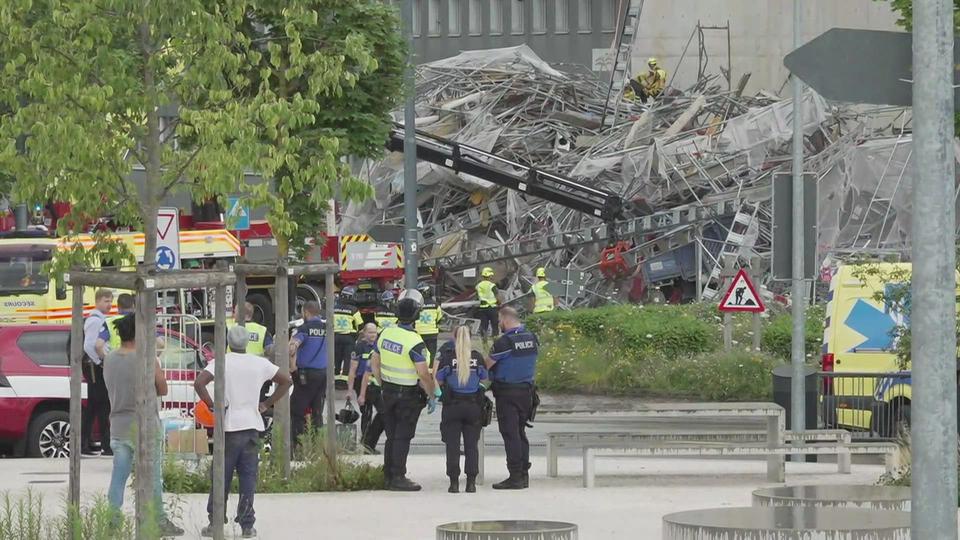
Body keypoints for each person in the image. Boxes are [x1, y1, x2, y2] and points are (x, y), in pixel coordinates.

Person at [196, 326, 292, 538]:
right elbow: (286, 381)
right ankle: (247, 524)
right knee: (248, 477)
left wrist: (212, 405)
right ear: (247, 342)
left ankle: (216, 521)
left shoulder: (221, 362)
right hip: (252, 427)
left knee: (220, 476)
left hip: (229, 427)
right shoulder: (260, 363)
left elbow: (199, 383)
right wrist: (266, 404)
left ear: (228, 342)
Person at [103, 314, 183, 536]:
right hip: (145, 425)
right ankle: (158, 520)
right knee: (153, 476)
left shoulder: (109, 359)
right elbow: (163, 388)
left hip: (118, 425)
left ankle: (112, 520)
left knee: (118, 476)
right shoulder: (146, 359)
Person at [370, 296, 438, 491]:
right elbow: (423, 374)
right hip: (407, 395)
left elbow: (374, 361)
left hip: (388, 391)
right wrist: (432, 395)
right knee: (403, 436)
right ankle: (398, 476)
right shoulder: (415, 342)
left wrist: (382, 382)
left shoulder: (386, 333)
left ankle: (388, 475)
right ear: (416, 316)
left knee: (391, 435)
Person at [486, 306, 539, 490]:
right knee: (520, 432)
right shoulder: (532, 338)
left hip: (507, 392)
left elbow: (487, 365)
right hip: (527, 392)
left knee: (510, 434)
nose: (499, 324)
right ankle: (524, 474)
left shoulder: (504, 342)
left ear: (506, 320)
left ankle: (515, 476)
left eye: (500, 320)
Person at [436, 325, 489, 494]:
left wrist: (440, 394)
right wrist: (478, 388)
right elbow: (486, 380)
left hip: (452, 406)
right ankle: (471, 482)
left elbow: (438, 380)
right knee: (471, 446)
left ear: (453, 336)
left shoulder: (447, 358)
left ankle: (453, 483)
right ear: (470, 337)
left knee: (452, 445)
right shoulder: (477, 357)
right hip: (473, 406)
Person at [288, 301, 328, 448]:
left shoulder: (304, 328)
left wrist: (292, 365)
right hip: (323, 375)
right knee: (317, 412)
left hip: (305, 376)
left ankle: (298, 445)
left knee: (297, 410)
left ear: (306, 312)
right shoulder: (326, 328)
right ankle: (318, 446)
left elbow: (292, 348)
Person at [82, 288, 113, 456]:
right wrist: (100, 361)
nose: (109, 304)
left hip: (96, 367)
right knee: (101, 406)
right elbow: (89, 345)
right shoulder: (95, 321)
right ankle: (104, 444)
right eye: (106, 301)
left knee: (94, 407)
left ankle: (86, 443)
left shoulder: (100, 319)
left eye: (110, 301)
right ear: (98, 301)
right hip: (95, 368)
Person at [347, 323, 383, 453]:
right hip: (361, 382)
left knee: (382, 412)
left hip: (375, 384)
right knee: (366, 413)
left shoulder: (379, 346)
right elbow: (352, 370)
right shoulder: (359, 347)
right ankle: (366, 444)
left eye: (375, 333)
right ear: (364, 333)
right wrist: (350, 390)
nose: (373, 335)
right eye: (370, 333)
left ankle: (368, 442)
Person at [333, 287, 361, 382]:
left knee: (336, 358)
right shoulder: (354, 309)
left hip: (335, 337)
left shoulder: (334, 308)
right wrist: (356, 335)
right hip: (349, 338)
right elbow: (360, 324)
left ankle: (335, 379)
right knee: (347, 359)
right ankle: (345, 380)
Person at [415, 283, 442, 363]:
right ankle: (430, 369)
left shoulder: (416, 305)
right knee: (432, 353)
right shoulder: (435, 305)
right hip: (432, 333)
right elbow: (439, 318)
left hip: (419, 333)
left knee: (418, 353)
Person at [476, 267, 499, 350]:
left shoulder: (478, 285)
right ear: (490, 276)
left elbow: (478, 296)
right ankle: (495, 344)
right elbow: (497, 296)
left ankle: (484, 344)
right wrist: (500, 303)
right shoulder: (492, 285)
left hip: (482, 309)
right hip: (492, 308)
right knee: (495, 326)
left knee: (484, 326)